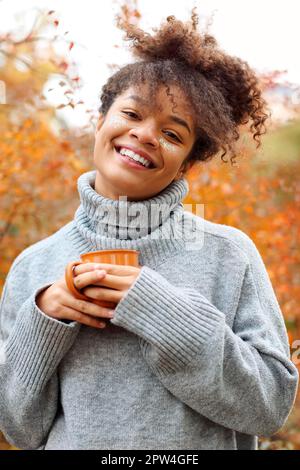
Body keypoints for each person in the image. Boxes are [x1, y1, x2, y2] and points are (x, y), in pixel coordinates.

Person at [0, 9, 298, 451]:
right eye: (132, 114)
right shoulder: (35, 265)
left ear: (187, 166)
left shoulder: (228, 254)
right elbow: (19, 429)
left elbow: (269, 407)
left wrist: (161, 311)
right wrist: (43, 320)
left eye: (173, 134)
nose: (145, 135)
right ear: (100, 122)